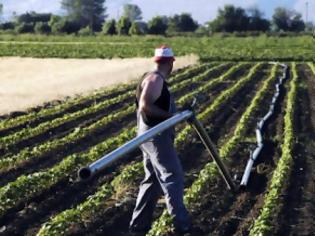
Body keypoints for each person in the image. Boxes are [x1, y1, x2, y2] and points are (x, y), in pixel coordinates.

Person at [129, 45, 191, 234]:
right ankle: (182, 226)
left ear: (156, 60)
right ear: (171, 62)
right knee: (173, 176)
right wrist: (170, 117)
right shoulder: (155, 79)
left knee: (153, 181)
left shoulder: (152, 77)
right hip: (155, 136)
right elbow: (145, 106)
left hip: (147, 135)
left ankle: (138, 227)